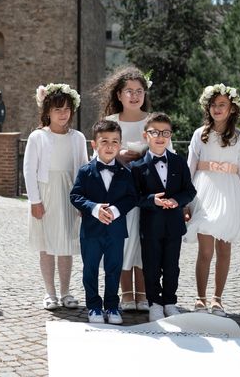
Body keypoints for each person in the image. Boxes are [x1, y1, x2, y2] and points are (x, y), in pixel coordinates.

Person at [95, 66, 171, 312]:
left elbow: (167, 152)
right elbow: (96, 156)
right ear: (119, 94)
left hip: (147, 195)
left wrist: (145, 153)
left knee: (144, 242)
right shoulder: (110, 123)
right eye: (129, 91)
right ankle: (126, 293)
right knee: (122, 242)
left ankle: (145, 293)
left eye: (139, 91)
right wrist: (118, 156)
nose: (134, 96)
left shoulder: (152, 121)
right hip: (117, 194)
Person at [184, 84, 240, 317]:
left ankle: (217, 299)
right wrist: (184, 200)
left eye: (222, 104)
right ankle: (200, 297)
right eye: (213, 105)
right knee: (205, 251)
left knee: (224, 249)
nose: (217, 108)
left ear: (232, 108)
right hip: (204, 193)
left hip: (230, 195)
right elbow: (189, 168)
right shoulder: (199, 134)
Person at [23, 83, 88, 310]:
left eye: (67, 109)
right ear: (47, 111)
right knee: (47, 244)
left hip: (70, 192)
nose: (63, 114)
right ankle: (49, 292)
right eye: (58, 109)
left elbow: (83, 168)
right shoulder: (37, 137)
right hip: (46, 192)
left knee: (67, 244)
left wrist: (83, 200)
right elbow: (29, 170)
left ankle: (66, 291)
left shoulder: (77, 138)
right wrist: (35, 200)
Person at [131, 113, 196, 322]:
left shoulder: (179, 162)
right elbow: (135, 197)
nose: (160, 136)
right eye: (155, 132)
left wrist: (178, 201)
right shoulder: (138, 166)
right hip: (150, 226)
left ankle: (170, 302)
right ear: (145, 135)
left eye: (165, 132)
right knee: (151, 267)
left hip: (174, 225)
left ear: (170, 136)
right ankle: (155, 304)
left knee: (171, 266)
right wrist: (152, 200)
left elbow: (190, 191)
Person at [70, 119, 137, 325]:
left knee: (114, 268)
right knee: (90, 268)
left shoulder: (126, 173)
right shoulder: (85, 171)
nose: (110, 146)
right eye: (104, 141)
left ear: (120, 144)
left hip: (116, 231)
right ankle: (94, 306)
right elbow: (76, 196)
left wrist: (116, 210)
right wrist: (95, 208)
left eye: (115, 142)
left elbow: (132, 198)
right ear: (94, 144)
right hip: (91, 230)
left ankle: (111, 306)